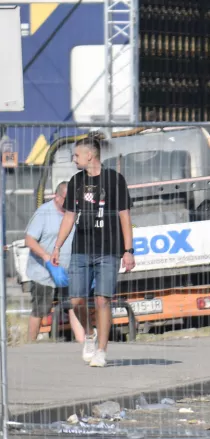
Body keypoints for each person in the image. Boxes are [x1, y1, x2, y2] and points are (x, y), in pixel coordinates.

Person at [52, 137, 135, 368]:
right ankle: (89, 335)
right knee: (76, 299)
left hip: (109, 249)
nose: (73, 159)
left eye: (76, 155)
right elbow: (69, 216)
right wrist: (57, 246)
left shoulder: (114, 180)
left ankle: (101, 350)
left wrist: (128, 250)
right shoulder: (76, 181)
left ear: (90, 155)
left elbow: (124, 216)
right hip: (81, 249)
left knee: (102, 300)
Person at [22, 181, 87, 344]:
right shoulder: (43, 213)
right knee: (40, 310)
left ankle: (84, 344)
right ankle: (30, 345)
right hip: (43, 274)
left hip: (68, 271)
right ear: (57, 197)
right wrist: (46, 257)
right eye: (67, 199)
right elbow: (29, 240)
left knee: (74, 306)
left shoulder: (75, 212)